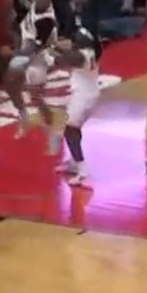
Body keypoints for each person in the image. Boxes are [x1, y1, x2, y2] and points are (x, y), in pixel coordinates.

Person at [6, 0, 61, 150]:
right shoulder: (35, 6)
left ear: (48, 2)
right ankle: (24, 116)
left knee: (36, 98)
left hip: (38, 58)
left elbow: (32, 48)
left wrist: (13, 52)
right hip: (26, 53)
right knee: (10, 83)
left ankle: (54, 132)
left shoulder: (46, 21)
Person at [53, 22, 102, 187]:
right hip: (90, 96)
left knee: (69, 131)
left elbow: (62, 59)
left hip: (83, 98)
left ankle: (83, 171)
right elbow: (67, 51)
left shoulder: (80, 57)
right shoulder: (91, 52)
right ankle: (74, 162)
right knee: (74, 129)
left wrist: (51, 48)